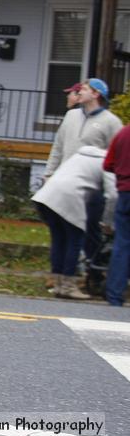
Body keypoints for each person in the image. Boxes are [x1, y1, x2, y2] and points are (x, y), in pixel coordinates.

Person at [44, 78, 122, 270]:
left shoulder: (111, 122)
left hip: (92, 186)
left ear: (96, 94)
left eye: (84, 89)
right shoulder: (71, 116)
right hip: (64, 183)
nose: (79, 91)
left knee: (90, 230)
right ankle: (62, 273)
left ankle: (93, 270)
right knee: (63, 232)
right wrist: (49, 173)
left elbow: (117, 156)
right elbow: (58, 146)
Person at [32, 146, 115, 300]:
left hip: (46, 195)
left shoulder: (80, 155)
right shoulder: (108, 162)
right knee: (74, 241)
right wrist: (109, 223)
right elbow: (112, 196)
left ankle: (57, 283)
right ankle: (68, 286)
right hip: (69, 197)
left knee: (59, 240)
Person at [104, 123, 130, 307]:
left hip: (125, 193)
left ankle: (114, 294)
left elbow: (108, 164)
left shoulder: (122, 133)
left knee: (122, 244)